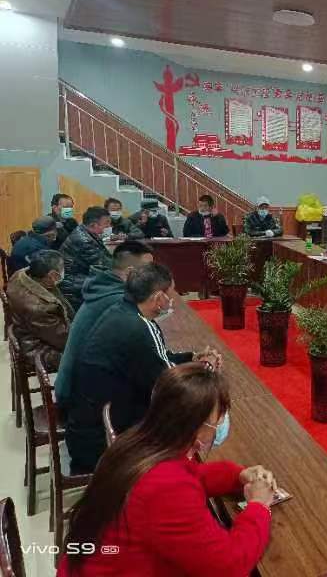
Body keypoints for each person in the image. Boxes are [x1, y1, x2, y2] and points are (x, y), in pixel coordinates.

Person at [59, 363, 276, 577]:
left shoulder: (140, 442)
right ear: (196, 427)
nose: (219, 427)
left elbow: (192, 475)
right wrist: (258, 506)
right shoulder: (166, 487)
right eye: (217, 422)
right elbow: (229, 566)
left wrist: (237, 475)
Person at [66, 263, 222, 474]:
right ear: (158, 298)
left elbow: (157, 359)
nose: (173, 301)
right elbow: (172, 387)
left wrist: (193, 358)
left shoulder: (120, 312)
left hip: (88, 427)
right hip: (103, 443)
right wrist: (207, 367)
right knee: (209, 419)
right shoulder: (138, 328)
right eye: (171, 294)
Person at [56, 241, 154, 408]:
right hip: (80, 399)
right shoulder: (117, 300)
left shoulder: (103, 287)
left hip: (74, 385)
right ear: (130, 273)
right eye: (149, 270)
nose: (154, 276)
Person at [6, 250, 74, 371]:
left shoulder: (20, 275)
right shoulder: (40, 307)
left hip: (29, 334)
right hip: (39, 350)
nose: (64, 271)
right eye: (62, 268)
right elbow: (65, 340)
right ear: (52, 275)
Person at [59, 206, 113, 311]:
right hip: (73, 285)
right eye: (106, 223)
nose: (109, 226)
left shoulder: (85, 231)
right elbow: (103, 267)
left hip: (80, 278)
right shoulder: (85, 241)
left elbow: (105, 257)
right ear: (93, 225)